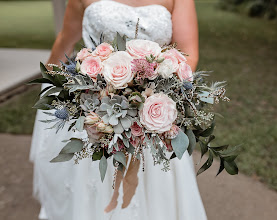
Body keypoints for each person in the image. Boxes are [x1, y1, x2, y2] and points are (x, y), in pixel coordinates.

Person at [30, 0, 207, 219]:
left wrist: (147, 95)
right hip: (94, 115)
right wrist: (49, 84)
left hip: (152, 113)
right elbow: (66, 39)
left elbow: (189, 53)